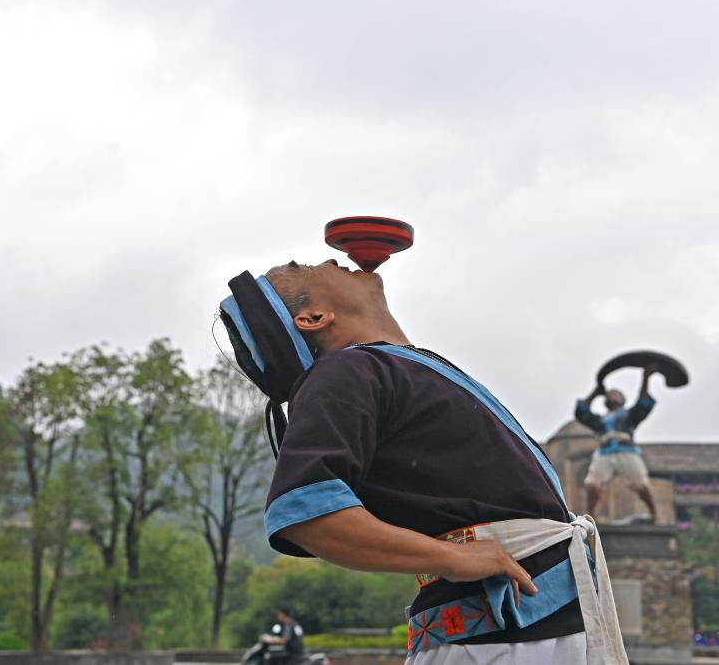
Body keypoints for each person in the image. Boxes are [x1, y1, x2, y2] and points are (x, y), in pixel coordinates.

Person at [242, 259, 628, 665]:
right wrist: (454, 557)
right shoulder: (345, 370)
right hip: (495, 643)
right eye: (303, 267)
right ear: (314, 317)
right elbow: (306, 513)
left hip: (537, 631)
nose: (331, 260)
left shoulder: (395, 366)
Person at [574, 367, 659, 522]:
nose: (612, 395)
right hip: (604, 453)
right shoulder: (600, 421)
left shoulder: (629, 416)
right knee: (592, 484)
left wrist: (645, 378)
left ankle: (655, 515)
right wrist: (595, 392)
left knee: (642, 485)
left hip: (627, 451)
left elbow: (643, 403)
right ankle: (590, 516)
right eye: (610, 394)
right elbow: (581, 412)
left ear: (622, 400)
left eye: (616, 393)